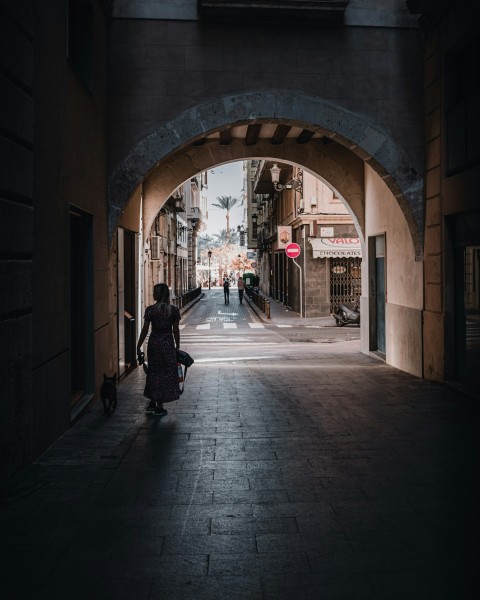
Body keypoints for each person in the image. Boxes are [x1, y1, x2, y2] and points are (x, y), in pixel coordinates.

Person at [136, 283, 181, 416]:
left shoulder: (150, 310)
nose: (153, 294)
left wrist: (139, 345)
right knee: (165, 373)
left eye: (155, 292)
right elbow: (176, 330)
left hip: (154, 343)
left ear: (160, 294)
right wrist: (177, 346)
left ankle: (152, 401)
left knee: (153, 372)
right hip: (167, 344)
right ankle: (159, 406)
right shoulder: (173, 310)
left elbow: (145, 330)